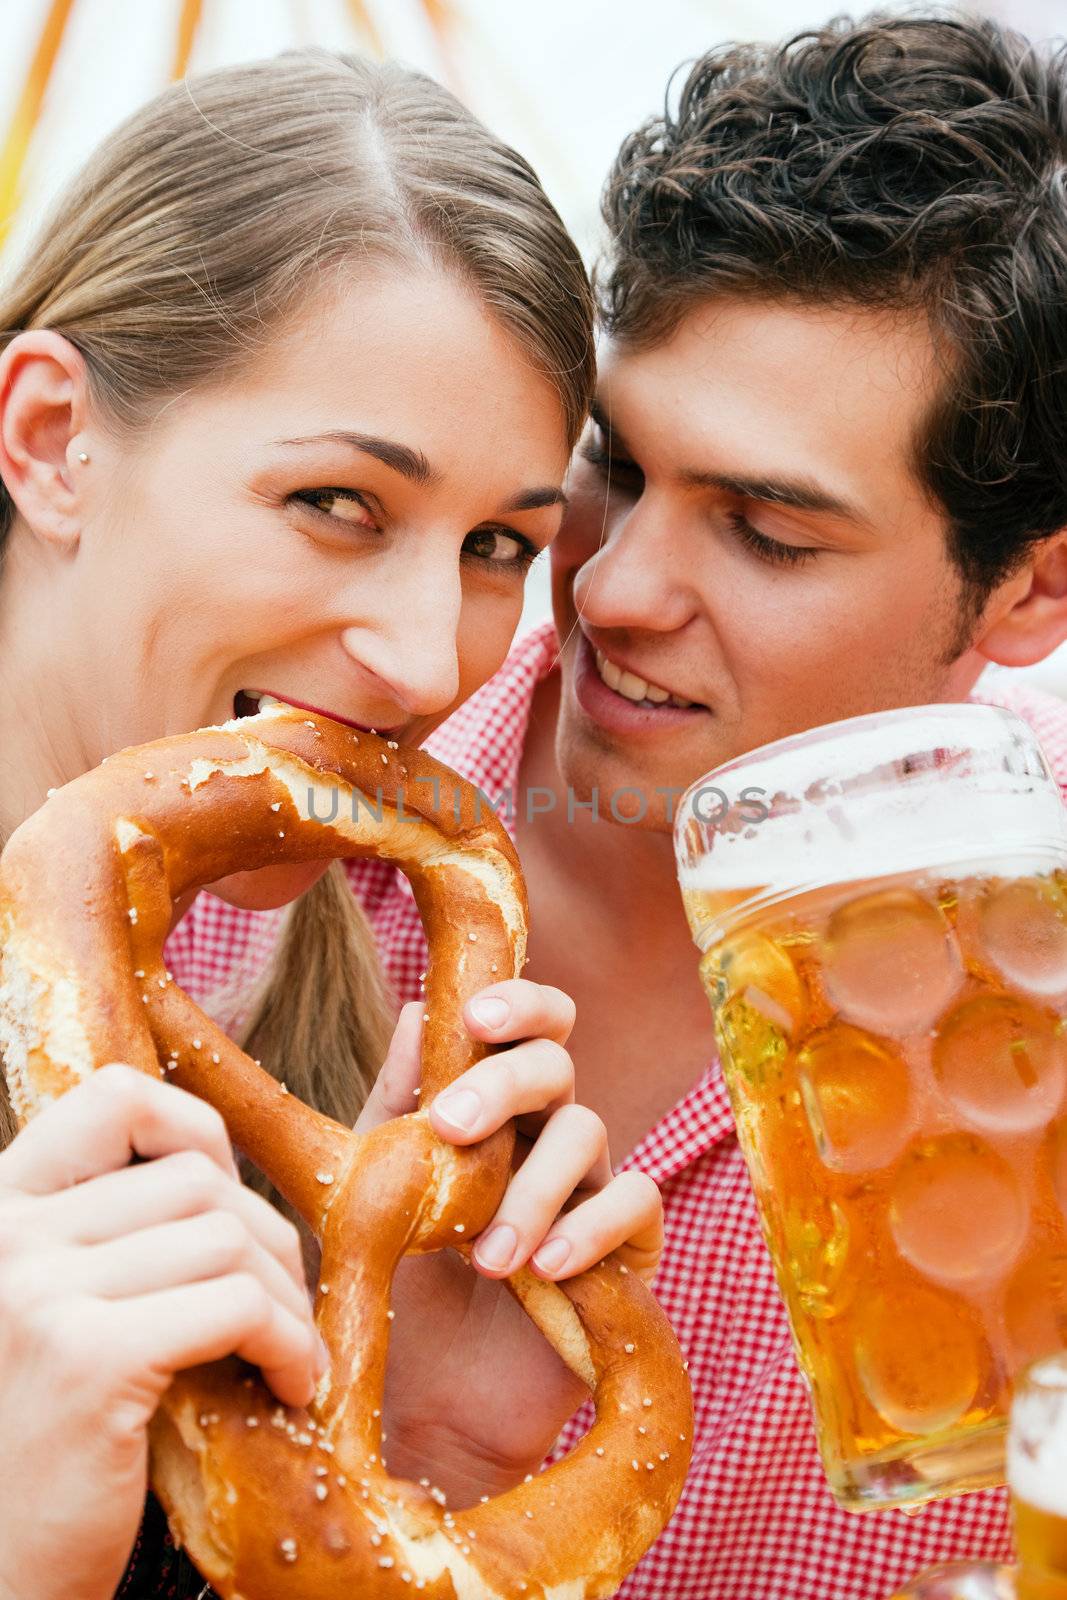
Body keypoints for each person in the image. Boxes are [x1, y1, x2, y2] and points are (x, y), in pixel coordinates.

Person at [173, 11, 1067, 1599]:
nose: (612, 585)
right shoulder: (253, 867)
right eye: (618, 464)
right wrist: (415, 1443)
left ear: (1030, 594)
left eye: (770, 532)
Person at [0, 50, 666, 1600]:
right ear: (49, 442)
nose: (430, 661)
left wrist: (426, 1444)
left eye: (502, 543)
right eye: (338, 504)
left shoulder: (317, 1026)